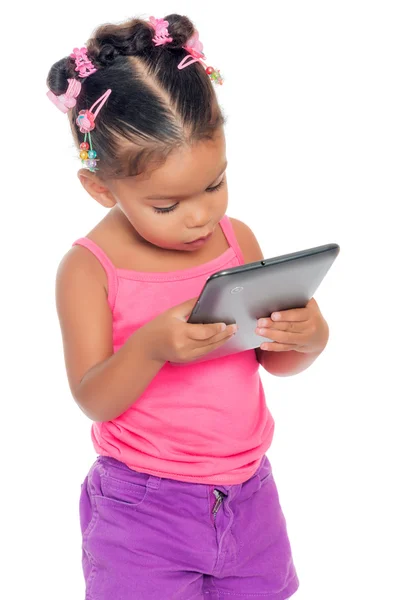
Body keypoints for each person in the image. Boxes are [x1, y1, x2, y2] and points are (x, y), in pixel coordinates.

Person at [47, 13, 330, 600]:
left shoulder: (237, 241)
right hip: (141, 509)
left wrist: (307, 337)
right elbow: (93, 398)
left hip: (250, 496)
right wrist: (152, 346)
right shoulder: (88, 270)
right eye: (167, 205)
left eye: (214, 184)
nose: (201, 215)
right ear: (102, 188)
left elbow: (270, 360)